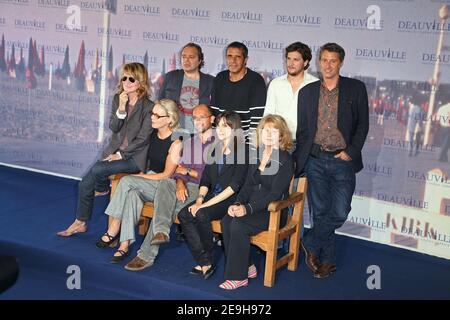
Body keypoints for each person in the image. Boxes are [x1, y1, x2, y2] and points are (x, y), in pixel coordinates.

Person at [294, 43, 369, 279]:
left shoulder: (356, 89)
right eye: (324, 60)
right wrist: (302, 158)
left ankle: (309, 241)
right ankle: (326, 261)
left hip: (342, 160)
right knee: (320, 212)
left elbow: (362, 125)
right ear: (318, 61)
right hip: (315, 159)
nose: (327, 65)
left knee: (339, 211)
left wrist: (351, 151)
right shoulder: (307, 92)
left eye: (332, 61)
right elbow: (304, 130)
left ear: (341, 63)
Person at [57, 62, 154, 237]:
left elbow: (143, 139)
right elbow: (114, 127)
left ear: (140, 81)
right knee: (84, 183)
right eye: (124, 77)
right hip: (114, 151)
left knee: (98, 169)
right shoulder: (118, 98)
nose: (126, 81)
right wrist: (122, 107)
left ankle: (102, 187)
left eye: (131, 78)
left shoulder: (149, 106)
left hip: (134, 158)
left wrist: (121, 154)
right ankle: (80, 222)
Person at [124, 104, 215, 270]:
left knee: (166, 207)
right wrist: (180, 183)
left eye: (202, 117)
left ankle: (147, 254)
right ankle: (161, 232)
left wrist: (188, 172)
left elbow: (211, 177)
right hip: (184, 184)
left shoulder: (219, 143)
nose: (198, 121)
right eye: (195, 118)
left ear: (212, 119)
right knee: (167, 182)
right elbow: (177, 173)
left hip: (202, 190)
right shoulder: (191, 142)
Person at [96, 99, 182, 263]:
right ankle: (124, 245)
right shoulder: (153, 134)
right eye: (152, 113)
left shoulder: (176, 141)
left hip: (164, 187)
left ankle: (114, 228)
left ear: (170, 119)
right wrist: (139, 174)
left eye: (158, 115)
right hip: (149, 180)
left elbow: (166, 175)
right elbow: (144, 161)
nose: (153, 117)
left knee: (127, 181)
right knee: (132, 195)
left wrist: (140, 177)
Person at [219, 115, 294, 290]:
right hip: (251, 208)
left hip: (272, 211)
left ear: (281, 135)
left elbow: (275, 195)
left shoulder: (285, 160)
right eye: (265, 130)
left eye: (273, 131)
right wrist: (237, 204)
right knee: (226, 221)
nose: (268, 134)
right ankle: (247, 266)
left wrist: (247, 209)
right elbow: (247, 185)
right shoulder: (257, 154)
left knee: (238, 225)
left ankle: (238, 277)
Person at [178, 111, 248, 279]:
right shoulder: (214, 148)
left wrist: (203, 205)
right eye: (219, 125)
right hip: (211, 195)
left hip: (230, 200)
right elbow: (206, 179)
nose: (221, 129)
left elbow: (234, 187)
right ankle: (204, 260)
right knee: (184, 215)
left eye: (226, 126)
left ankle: (207, 260)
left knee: (201, 213)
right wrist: (200, 198)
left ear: (235, 128)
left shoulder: (243, 151)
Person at [211, 41, 267, 142]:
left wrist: (250, 147)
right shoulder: (220, 78)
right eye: (230, 56)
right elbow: (214, 113)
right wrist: (216, 140)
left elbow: (257, 118)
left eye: (238, 57)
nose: (233, 61)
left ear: (245, 59)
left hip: (244, 141)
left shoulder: (255, 80)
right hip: (222, 140)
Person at [264, 42, 319, 141]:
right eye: (288, 59)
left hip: (305, 142)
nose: (290, 63)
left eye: (296, 60)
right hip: (279, 141)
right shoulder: (276, 83)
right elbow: (268, 115)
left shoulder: (315, 85)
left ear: (305, 62)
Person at [159, 43, 214, 133]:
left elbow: (214, 110)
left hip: (198, 133)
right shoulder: (171, 77)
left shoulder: (210, 82)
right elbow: (160, 103)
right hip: (173, 130)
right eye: (184, 57)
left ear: (200, 60)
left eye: (191, 57)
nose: (186, 60)